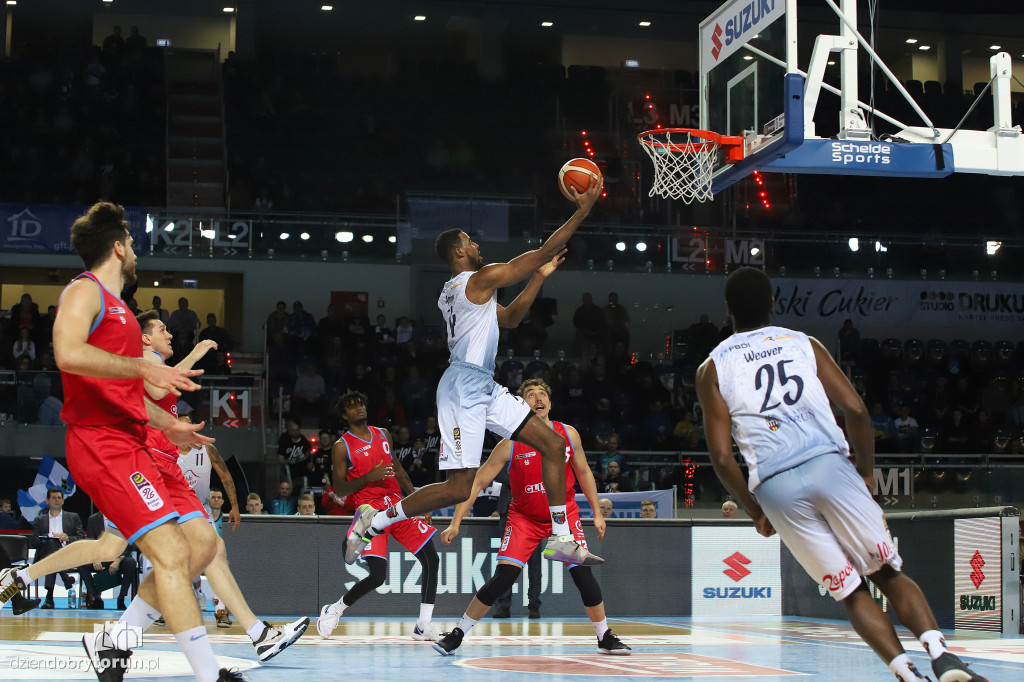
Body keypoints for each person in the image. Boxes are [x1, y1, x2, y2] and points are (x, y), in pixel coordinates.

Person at [695, 266, 985, 682]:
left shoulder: (712, 368)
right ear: (773, 302)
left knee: (849, 590)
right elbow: (857, 411)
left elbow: (722, 457)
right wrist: (865, 472)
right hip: (829, 465)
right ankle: (941, 656)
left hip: (776, 487)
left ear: (728, 310)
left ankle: (906, 674)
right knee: (886, 572)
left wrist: (756, 512)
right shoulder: (803, 343)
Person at [2, 202, 236, 681]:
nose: (135, 251)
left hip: (136, 441)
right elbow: (67, 354)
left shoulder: (123, 313)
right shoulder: (83, 291)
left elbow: (126, 393)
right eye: (130, 242)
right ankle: (210, 675)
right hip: (102, 443)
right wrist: (144, 368)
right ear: (118, 247)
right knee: (167, 553)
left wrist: (169, 425)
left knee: (201, 544)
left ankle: (116, 639)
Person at [346, 181, 603, 568]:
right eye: (472, 242)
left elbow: (510, 319)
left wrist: (539, 276)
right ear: (459, 252)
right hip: (462, 388)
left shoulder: (461, 291)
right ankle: (376, 519)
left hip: (483, 384)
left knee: (553, 445)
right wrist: (581, 212)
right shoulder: (476, 281)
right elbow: (539, 252)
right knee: (458, 488)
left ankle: (560, 537)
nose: (478, 245)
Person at [434, 379, 630, 656]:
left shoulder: (568, 434)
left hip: (563, 516)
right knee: (504, 577)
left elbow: (584, 472)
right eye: (530, 395)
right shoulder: (509, 444)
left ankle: (604, 636)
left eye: (542, 394)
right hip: (524, 519)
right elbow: (476, 483)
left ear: (549, 402)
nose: (538, 399)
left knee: (583, 575)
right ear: (520, 405)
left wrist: (597, 512)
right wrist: (456, 522)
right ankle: (458, 634)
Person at [317, 391, 440, 641]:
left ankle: (423, 625)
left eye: (361, 403)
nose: (359, 408)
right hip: (370, 510)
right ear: (344, 415)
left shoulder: (383, 434)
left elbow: (398, 469)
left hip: (397, 505)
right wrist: (368, 477)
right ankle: (334, 610)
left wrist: (418, 500)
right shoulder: (341, 447)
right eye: (352, 406)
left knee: (432, 559)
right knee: (378, 576)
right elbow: (339, 489)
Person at [30, 488, 85, 609]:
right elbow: (34, 542)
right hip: (44, 557)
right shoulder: (39, 520)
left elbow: (81, 538)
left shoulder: (73, 517)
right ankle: (64, 577)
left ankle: (49, 598)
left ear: (63, 501)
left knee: (52, 555)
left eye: (59, 498)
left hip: (68, 555)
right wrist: (52, 535)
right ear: (47, 501)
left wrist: (66, 538)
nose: (57, 500)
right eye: (54, 498)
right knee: (51, 544)